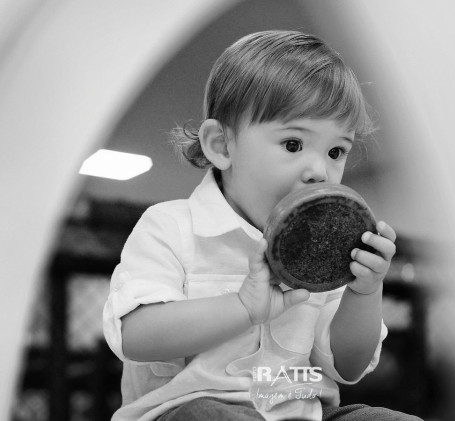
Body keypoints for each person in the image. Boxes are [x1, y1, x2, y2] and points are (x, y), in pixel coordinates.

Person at [103, 30, 422, 421]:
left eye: (336, 151)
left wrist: (364, 291)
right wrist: (242, 307)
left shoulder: (323, 254)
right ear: (221, 146)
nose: (319, 171)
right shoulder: (170, 228)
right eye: (293, 144)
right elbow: (135, 336)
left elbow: (349, 367)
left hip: (302, 410)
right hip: (184, 410)